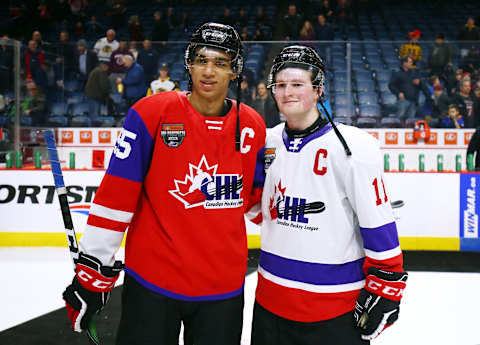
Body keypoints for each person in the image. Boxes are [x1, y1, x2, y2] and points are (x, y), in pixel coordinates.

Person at [62, 22, 266, 345]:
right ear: (189, 63)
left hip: (223, 289)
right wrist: (92, 271)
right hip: (152, 285)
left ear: (235, 70)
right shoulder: (149, 114)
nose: (209, 71)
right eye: (201, 59)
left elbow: (256, 204)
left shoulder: (253, 126)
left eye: (221, 62)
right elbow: (115, 199)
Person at [248, 45, 407, 345]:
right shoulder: (266, 142)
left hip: (334, 310)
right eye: (280, 85)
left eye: (297, 84)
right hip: (270, 304)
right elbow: (255, 204)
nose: (287, 92)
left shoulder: (353, 146)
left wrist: (386, 284)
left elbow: (377, 224)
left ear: (318, 89)